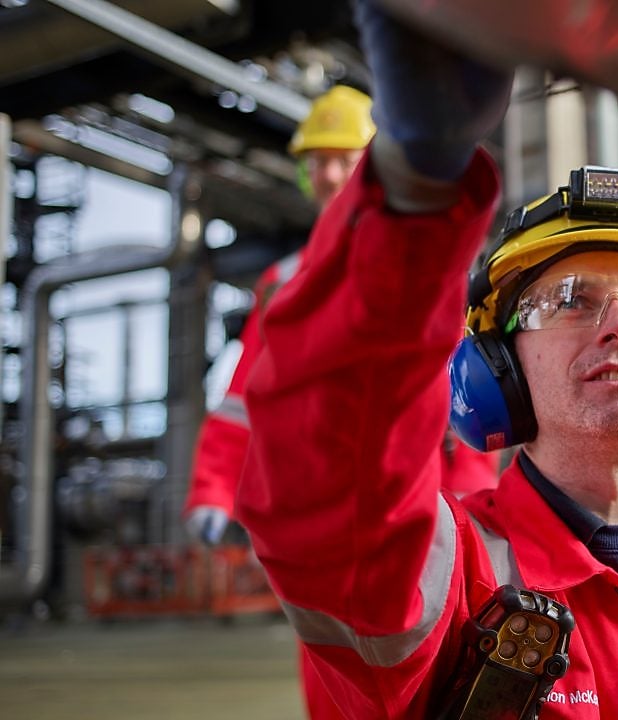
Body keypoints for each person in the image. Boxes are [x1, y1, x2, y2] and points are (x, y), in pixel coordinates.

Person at [234, 1, 618, 717]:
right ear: (497, 368)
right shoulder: (445, 575)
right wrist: (412, 185)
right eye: (569, 299)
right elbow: (321, 485)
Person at [182, 84, 496, 719]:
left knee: (438, 674)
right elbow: (245, 398)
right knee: (331, 671)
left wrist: (473, 495)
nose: (326, 174)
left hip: (418, 501)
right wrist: (213, 488)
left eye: (341, 157)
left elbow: (462, 391)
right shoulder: (282, 281)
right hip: (315, 512)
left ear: (373, 161)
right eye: (314, 160)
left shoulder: (431, 263)